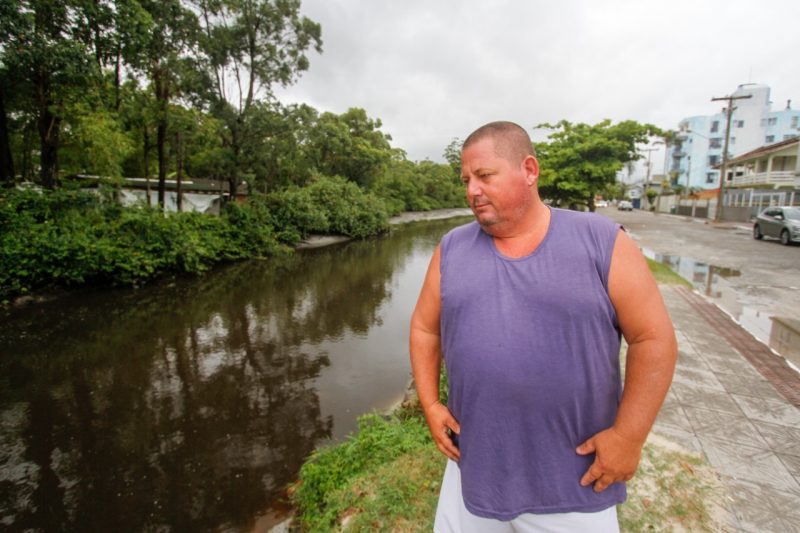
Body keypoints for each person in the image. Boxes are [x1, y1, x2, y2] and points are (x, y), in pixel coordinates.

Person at [409, 121, 677, 532]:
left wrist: (629, 437)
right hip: (472, 474)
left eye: (484, 176)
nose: (471, 191)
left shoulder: (602, 241)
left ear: (529, 170)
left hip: (574, 485)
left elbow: (653, 339)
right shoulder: (451, 249)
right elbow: (426, 329)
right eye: (466, 179)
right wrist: (430, 404)